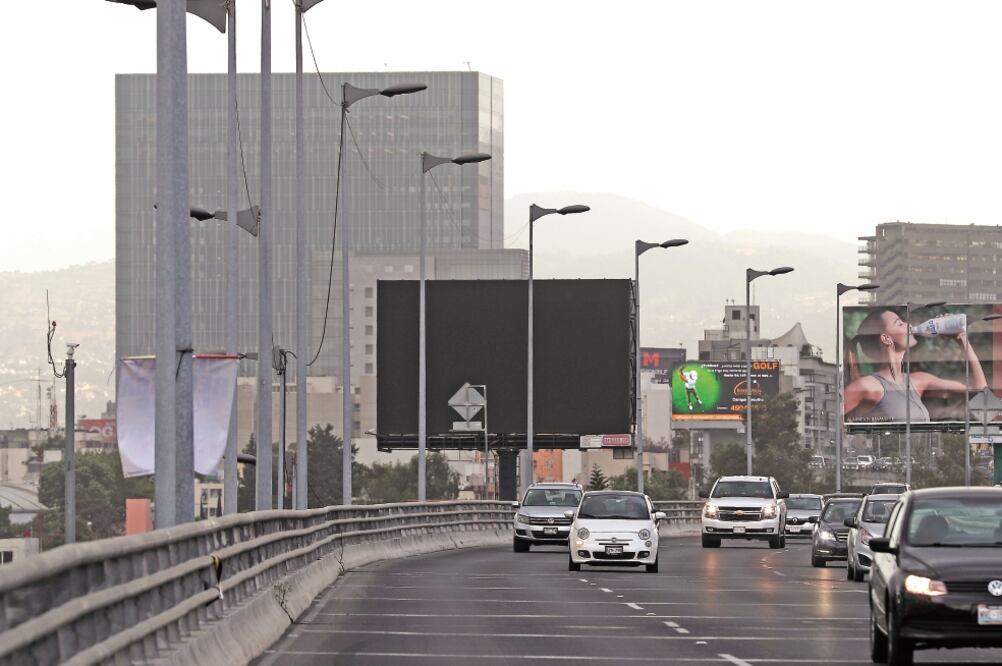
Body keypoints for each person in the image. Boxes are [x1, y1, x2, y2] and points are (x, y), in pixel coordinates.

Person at [844, 309, 988, 422]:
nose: (909, 325)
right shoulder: (866, 386)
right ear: (886, 339)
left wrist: (962, 339)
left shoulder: (920, 380)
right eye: (900, 323)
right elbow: (834, 421)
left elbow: (982, 397)